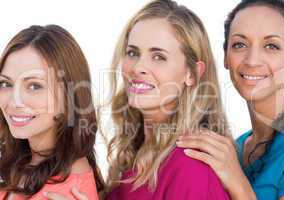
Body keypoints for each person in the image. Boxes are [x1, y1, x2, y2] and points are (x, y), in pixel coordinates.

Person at [46, 0, 231, 199]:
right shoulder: (136, 154)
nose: (137, 67)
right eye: (133, 53)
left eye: (159, 57)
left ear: (192, 74)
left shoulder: (190, 165)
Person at [176, 0, 284, 199]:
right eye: (239, 44)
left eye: (271, 46)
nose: (252, 60)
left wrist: (238, 183)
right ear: (225, 57)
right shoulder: (235, 148)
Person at [0, 25, 104, 200]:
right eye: (6, 84)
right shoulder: (26, 159)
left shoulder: (62, 192)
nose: (13, 102)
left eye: (34, 86)